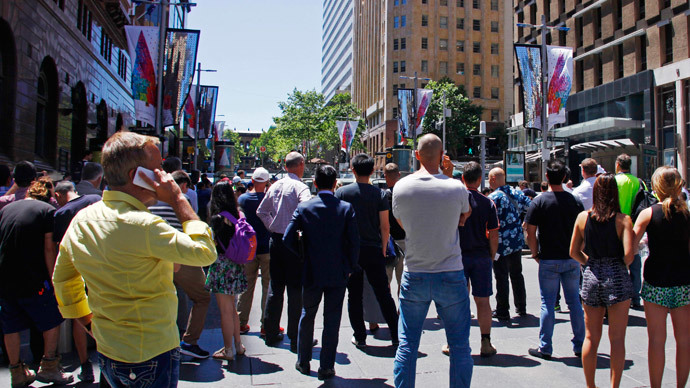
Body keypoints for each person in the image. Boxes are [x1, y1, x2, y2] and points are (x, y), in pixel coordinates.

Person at [52, 132, 217, 388]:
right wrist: (177, 198)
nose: (163, 176)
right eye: (157, 169)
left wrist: (88, 322)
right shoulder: (146, 225)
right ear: (136, 176)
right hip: (151, 351)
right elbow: (204, 251)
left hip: (108, 349)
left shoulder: (82, 220)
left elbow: (63, 280)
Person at [393, 134, 473, 388]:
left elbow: (401, 223)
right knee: (459, 345)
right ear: (442, 156)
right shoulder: (457, 187)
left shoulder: (402, 187)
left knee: (407, 344)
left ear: (416, 155)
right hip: (450, 272)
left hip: (415, 271)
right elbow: (465, 213)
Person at [284, 165, 359, 380]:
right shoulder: (346, 208)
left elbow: (287, 238)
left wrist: (302, 255)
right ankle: (326, 366)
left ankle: (303, 361)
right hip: (338, 272)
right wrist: (350, 267)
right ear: (335, 183)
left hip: (311, 270)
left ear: (314, 183)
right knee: (332, 319)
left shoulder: (304, 208)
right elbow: (354, 243)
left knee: (307, 315)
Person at [0, 178, 73, 387]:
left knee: (10, 325)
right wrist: (53, 279)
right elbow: (49, 248)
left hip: (5, 277)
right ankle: (49, 366)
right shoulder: (48, 211)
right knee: (53, 319)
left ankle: (17, 372)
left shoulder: (7, 209)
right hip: (32, 277)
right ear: (49, 195)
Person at [569, 174, 634, 388]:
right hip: (616, 274)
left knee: (591, 338)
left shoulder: (582, 218)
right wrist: (618, 264)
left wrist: (589, 262)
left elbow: (573, 251)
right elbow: (629, 255)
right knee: (617, 339)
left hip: (592, 274)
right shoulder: (623, 220)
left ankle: (591, 386)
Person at [632, 166, 690, 388]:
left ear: (657, 187)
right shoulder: (687, 215)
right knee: (684, 341)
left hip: (656, 279)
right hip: (683, 280)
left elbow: (631, 245)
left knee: (656, 341)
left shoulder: (648, 213)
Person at [336, 153, 398, 348]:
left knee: (354, 295)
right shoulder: (379, 194)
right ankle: (396, 335)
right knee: (383, 293)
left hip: (351, 251)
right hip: (373, 249)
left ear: (352, 170)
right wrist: (383, 248)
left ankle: (360, 335)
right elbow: (385, 226)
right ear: (372, 170)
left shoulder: (342, 193)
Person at [149, 170, 213, 359]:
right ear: (182, 185)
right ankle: (190, 341)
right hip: (180, 255)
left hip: (155, 257)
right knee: (202, 296)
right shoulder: (180, 199)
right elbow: (191, 225)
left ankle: (164, 341)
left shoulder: (148, 202)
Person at [524, 159, 585, 360]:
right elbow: (584, 230)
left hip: (548, 258)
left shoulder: (539, 202)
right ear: (565, 177)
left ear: (547, 177)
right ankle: (580, 345)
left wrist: (535, 252)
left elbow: (529, 232)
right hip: (571, 257)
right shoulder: (575, 201)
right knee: (574, 302)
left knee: (547, 303)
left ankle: (545, 347)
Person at [257, 152, 312, 348]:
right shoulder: (300, 187)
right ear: (301, 165)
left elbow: (261, 211)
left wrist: (273, 226)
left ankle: (270, 332)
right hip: (294, 241)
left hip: (276, 240)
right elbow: (307, 208)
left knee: (275, 288)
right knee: (296, 290)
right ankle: (295, 336)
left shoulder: (275, 186)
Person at [52, 181, 101, 382]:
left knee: (79, 318)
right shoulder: (95, 200)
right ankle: (108, 357)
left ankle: (85, 364)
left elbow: (59, 251)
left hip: (76, 270)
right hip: (100, 267)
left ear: (58, 195)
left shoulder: (61, 214)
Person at [451, 162, 499, 357]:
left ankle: (453, 343)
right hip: (480, 256)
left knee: (457, 302)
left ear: (463, 178)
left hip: (457, 256)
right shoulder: (488, 203)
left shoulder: (455, 200)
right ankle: (485, 342)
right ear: (480, 179)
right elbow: (494, 233)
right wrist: (491, 254)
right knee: (483, 301)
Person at [204, 181, 248, 361]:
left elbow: (211, 243)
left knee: (224, 311)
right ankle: (238, 345)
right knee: (232, 309)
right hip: (236, 265)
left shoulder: (216, 219)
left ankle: (228, 349)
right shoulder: (238, 215)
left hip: (221, 265)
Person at [488, 168, 531, 320]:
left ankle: (503, 309)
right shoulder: (518, 193)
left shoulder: (493, 197)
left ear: (493, 179)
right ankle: (521, 307)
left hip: (499, 243)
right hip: (516, 240)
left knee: (501, 276)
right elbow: (531, 207)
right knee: (517, 274)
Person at [237, 167, 274, 336]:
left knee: (246, 286)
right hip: (267, 247)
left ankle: (241, 323)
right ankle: (266, 324)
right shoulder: (270, 199)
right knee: (267, 286)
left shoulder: (243, 199)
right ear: (266, 182)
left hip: (248, 249)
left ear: (252, 181)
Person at [614, 153, 643, 309]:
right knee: (635, 264)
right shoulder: (638, 182)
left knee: (618, 263)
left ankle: (620, 295)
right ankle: (635, 298)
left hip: (616, 227)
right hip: (634, 227)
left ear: (618, 164)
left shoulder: (614, 181)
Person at [384, 163, 405, 294]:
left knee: (385, 281)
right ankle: (400, 311)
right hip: (404, 241)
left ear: (384, 176)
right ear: (399, 175)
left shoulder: (382, 196)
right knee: (403, 282)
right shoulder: (405, 195)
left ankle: (387, 312)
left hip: (387, 243)